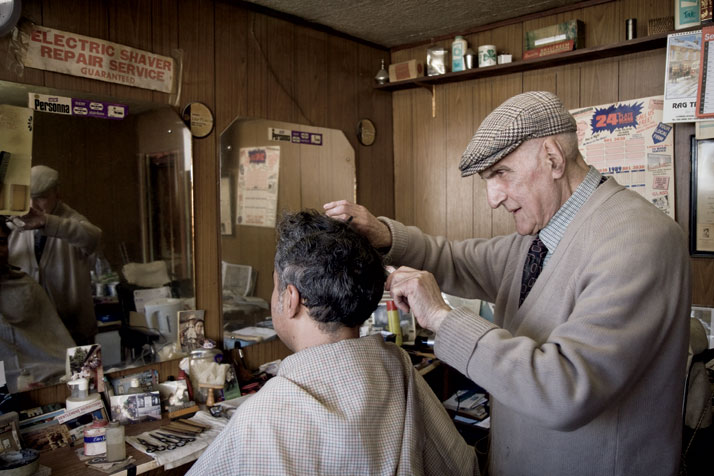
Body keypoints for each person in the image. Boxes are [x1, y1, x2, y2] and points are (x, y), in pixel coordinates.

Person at [324, 91, 691, 476]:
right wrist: (384, 234)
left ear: (552, 157)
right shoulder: (539, 238)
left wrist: (442, 318)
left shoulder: (638, 238)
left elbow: (565, 391)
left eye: (500, 174)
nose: (492, 199)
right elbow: (454, 259)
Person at [187, 210, 478, 476]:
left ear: (290, 299)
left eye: (276, 287)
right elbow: (462, 466)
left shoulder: (264, 416)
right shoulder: (397, 367)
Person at [8, 165, 102, 345]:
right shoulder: (19, 219)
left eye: (41, 198)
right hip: (33, 331)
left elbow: (93, 236)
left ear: (57, 194)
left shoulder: (72, 219)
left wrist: (46, 221)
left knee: (83, 373)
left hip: (76, 330)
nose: (33, 205)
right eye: (29, 197)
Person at [0, 218, 76, 392]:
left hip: (49, 380)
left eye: (2, 242)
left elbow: (65, 344)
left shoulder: (25, 285)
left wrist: (84, 375)